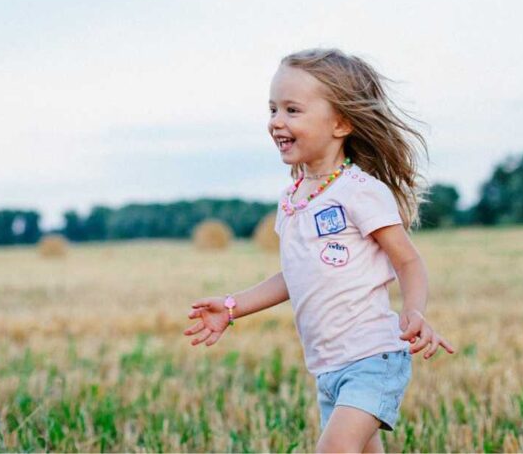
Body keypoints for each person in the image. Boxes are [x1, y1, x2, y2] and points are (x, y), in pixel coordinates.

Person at [182, 48, 456, 453]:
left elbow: (407, 259)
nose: (276, 121)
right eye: (273, 109)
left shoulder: (361, 192)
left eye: (293, 110)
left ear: (341, 123)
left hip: (372, 358)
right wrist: (232, 306)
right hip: (328, 367)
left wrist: (414, 311)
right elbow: (295, 274)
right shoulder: (293, 199)